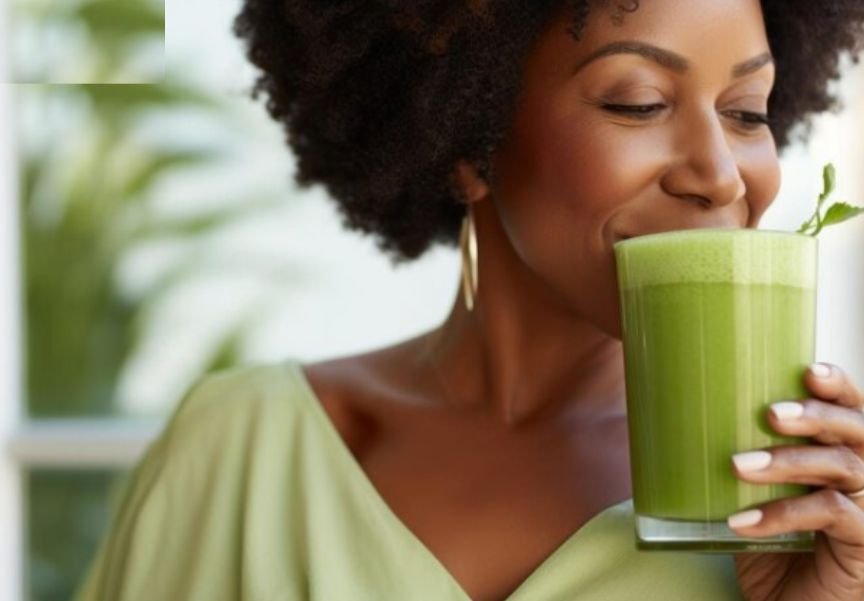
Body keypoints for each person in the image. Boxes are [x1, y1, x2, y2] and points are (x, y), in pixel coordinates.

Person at [74, 1, 864, 600]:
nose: (722, 174)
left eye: (748, 112)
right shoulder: (237, 454)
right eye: (637, 101)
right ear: (468, 142)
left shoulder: (799, 510)